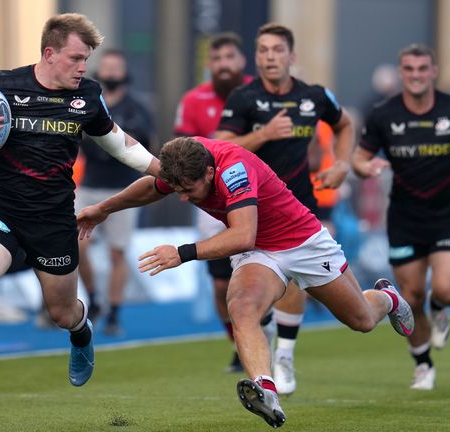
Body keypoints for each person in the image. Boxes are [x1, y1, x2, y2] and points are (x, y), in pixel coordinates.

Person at [77, 136, 414, 428]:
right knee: (241, 305)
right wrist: (105, 208)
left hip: (301, 243)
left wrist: (183, 252)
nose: (182, 198)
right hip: (260, 251)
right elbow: (155, 185)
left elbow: (241, 234)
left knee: (363, 320)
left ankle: (388, 298)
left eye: (189, 191)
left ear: (209, 173)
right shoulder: (186, 161)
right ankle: (266, 389)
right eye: (178, 190)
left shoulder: (232, 169)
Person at [0, 13, 160, 418]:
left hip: (54, 220)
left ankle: (81, 330)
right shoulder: (1, 85)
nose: (83, 67)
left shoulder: (86, 95)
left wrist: (168, 171)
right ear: (50, 53)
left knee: (61, 312)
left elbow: (120, 145)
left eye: (86, 58)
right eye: (76, 58)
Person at [213, 23, 354, 395]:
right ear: (256, 57)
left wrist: (342, 163)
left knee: (306, 288)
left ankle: (285, 354)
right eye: (263, 50)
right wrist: (263, 134)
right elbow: (220, 146)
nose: (270, 57)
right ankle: (270, 364)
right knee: (243, 299)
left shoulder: (315, 96)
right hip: (250, 209)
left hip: (300, 207)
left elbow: (345, 125)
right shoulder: (244, 99)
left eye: (277, 50)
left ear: (291, 57)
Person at [353, 43, 450, 391]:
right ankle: (422, 364)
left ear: (433, 71)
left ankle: (441, 309)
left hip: (448, 215)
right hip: (405, 218)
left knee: (446, 291)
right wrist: (366, 167)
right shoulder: (383, 114)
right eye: (409, 69)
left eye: (422, 69)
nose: (416, 75)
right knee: (411, 297)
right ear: (401, 73)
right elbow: (358, 159)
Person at [174, 32, 260, 373]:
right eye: (218, 59)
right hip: (211, 201)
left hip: (253, 195)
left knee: (258, 274)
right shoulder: (194, 100)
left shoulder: (258, 94)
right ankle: (240, 345)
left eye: (230, 57)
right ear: (209, 64)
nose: (224, 65)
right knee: (221, 283)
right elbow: (180, 147)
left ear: (242, 61)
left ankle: (271, 342)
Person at [76, 48, 155, 335]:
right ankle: (94, 298)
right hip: (89, 185)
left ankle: (114, 314)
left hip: (123, 189)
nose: (110, 73)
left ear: (124, 73)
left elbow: (146, 146)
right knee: (76, 244)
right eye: (105, 67)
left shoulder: (138, 107)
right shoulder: (87, 102)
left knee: (116, 253)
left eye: (115, 68)